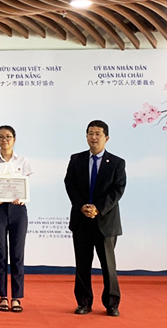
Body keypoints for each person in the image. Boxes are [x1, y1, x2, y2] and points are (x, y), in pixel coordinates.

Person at [65, 120, 126, 317]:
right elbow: (70, 184)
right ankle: (84, 302)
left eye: (98, 133)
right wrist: (82, 206)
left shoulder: (117, 162)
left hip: (106, 222)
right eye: (90, 133)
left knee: (109, 266)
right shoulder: (76, 159)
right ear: (86, 136)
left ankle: (111, 304)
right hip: (82, 220)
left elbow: (118, 190)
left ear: (106, 138)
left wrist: (98, 209)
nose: (93, 137)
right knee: (82, 264)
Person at [0, 125, 32, 313]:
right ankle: (2, 296)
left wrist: (22, 197)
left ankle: (17, 297)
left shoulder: (23, 160)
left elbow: (24, 186)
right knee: (0, 254)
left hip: (18, 210)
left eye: (8, 136)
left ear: (15, 139)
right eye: (1, 137)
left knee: (18, 254)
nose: (5, 140)